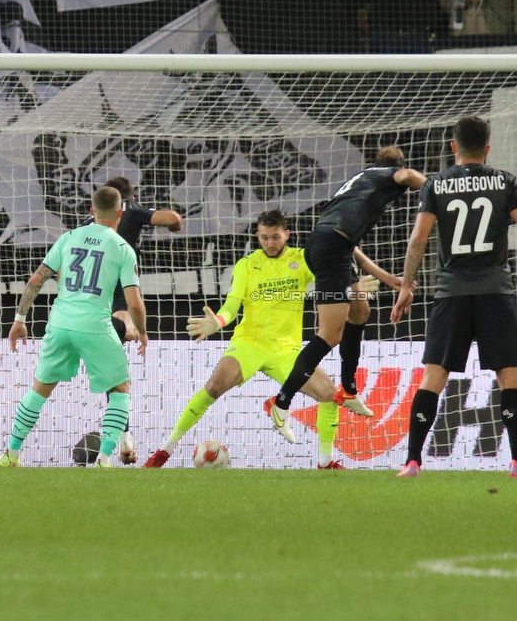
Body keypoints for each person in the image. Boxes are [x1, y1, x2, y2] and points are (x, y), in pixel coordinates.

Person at [390, 116, 517, 478]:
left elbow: (419, 238)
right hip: (495, 292)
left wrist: (406, 285)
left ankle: (412, 461)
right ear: (488, 147)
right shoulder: (504, 181)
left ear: (453, 147)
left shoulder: (435, 184)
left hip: (451, 292)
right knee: (509, 376)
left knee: (433, 376)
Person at [144, 210, 376, 469]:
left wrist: (353, 285)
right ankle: (163, 452)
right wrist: (217, 322)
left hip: (286, 351)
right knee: (212, 388)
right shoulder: (247, 265)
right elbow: (231, 306)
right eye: (264, 238)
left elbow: (332, 277)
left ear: (287, 235)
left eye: (275, 237)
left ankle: (324, 463)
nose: (270, 243)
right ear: (258, 236)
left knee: (329, 394)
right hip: (249, 344)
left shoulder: (302, 259)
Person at [264, 147, 426, 444]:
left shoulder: (362, 181)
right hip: (329, 251)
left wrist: (387, 278)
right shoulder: (387, 175)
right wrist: (436, 191)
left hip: (331, 247)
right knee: (329, 335)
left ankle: (349, 389)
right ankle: (281, 402)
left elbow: (350, 247)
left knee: (360, 312)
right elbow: (407, 175)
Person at [0, 186, 148, 468]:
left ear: (91, 212)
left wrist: (19, 320)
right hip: (94, 325)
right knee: (120, 389)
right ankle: (104, 459)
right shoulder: (122, 248)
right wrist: (142, 332)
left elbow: (36, 280)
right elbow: (135, 304)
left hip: (60, 323)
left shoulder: (68, 237)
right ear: (120, 212)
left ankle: (11, 454)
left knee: (39, 389)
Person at [79, 176, 181, 464]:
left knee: (111, 375)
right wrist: (175, 224)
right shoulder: (132, 210)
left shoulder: (85, 227)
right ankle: (121, 440)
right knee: (119, 375)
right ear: (125, 201)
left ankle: (123, 439)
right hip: (120, 300)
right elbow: (169, 216)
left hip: (88, 305)